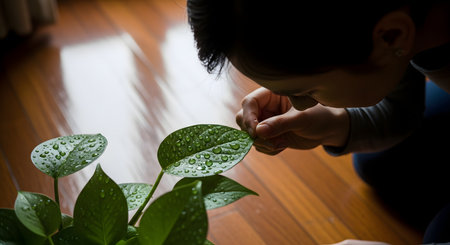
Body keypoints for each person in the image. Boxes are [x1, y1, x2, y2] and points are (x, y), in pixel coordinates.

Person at [186, 0, 450, 243]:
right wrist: (334, 125)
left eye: (305, 91)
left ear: (392, 36)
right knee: (383, 161)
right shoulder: (386, 20)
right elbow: (403, 110)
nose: (299, 105)